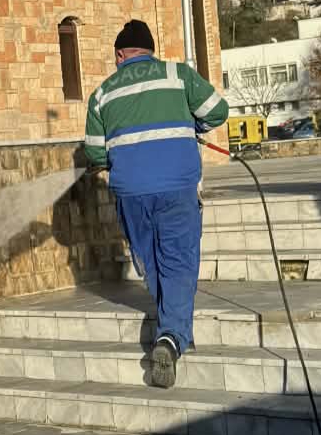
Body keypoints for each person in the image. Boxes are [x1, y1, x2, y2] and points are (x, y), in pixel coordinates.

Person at [83, 19, 228, 389]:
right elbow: (217, 111)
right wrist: (191, 126)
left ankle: (170, 325)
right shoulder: (177, 75)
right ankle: (171, 337)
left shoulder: (102, 94)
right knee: (178, 262)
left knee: (151, 262)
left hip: (131, 194)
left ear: (120, 54)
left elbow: (95, 153)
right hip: (176, 187)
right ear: (150, 50)